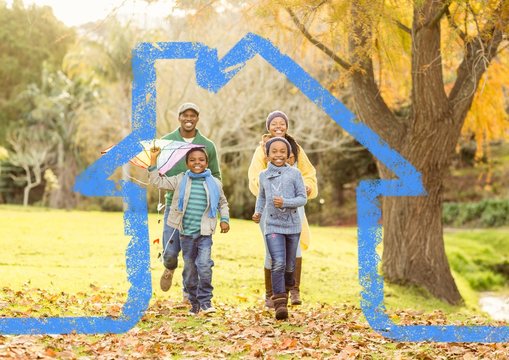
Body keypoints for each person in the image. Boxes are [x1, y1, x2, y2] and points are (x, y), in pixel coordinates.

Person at [248, 110, 318, 308]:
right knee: (273, 251)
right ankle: (271, 294)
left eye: (282, 123)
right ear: (268, 127)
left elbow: (308, 173)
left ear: (287, 126)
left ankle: (293, 290)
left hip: (293, 207)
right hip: (271, 208)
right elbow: (255, 178)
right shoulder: (261, 150)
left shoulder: (295, 148)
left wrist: (307, 186)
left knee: (294, 248)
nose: (278, 126)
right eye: (274, 123)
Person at [149, 146, 230, 315]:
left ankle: (206, 301)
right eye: (192, 160)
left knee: (204, 265)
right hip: (185, 233)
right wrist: (153, 161)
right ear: (187, 164)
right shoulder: (180, 180)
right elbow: (157, 181)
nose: (197, 163)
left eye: (201, 160)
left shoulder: (215, 183)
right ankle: (194, 303)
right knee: (190, 269)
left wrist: (224, 220)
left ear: (207, 163)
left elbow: (222, 203)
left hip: (204, 234)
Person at [159, 103, 221, 303]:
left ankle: (188, 293)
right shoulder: (167, 141)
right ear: (179, 117)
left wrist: (216, 204)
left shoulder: (207, 145)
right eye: (185, 115)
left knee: (191, 256)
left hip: (198, 208)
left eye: (192, 115)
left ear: (197, 118)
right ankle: (169, 267)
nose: (189, 118)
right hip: (174, 206)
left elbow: (216, 176)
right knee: (170, 252)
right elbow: (158, 170)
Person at [252, 137, 307, 320]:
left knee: (290, 265)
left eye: (282, 151)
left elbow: (302, 199)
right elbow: (261, 197)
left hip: (292, 225)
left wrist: (285, 202)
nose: (278, 155)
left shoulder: (295, 174)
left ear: (289, 154)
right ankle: (280, 304)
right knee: (278, 263)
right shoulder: (263, 176)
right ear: (267, 155)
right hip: (272, 225)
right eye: (274, 151)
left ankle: (289, 284)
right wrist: (258, 212)